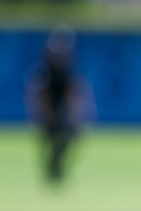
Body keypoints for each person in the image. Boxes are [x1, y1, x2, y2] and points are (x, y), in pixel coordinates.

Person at [26, 26, 93, 184]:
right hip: (48, 112)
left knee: (68, 139)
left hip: (62, 112)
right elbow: (40, 95)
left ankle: (57, 168)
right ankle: (50, 169)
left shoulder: (69, 71)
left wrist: (76, 114)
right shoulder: (44, 71)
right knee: (48, 142)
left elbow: (74, 93)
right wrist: (44, 114)